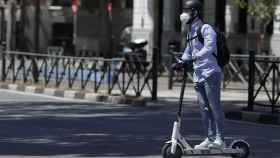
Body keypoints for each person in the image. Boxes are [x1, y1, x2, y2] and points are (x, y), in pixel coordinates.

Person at [173, 0, 226, 150]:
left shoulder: (206, 28)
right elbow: (188, 52)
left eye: (187, 11)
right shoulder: (190, 32)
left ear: (195, 12)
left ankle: (221, 139)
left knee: (215, 107)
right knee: (204, 108)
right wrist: (181, 62)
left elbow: (210, 47)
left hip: (210, 73)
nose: (184, 14)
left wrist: (195, 57)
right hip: (198, 75)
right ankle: (210, 138)